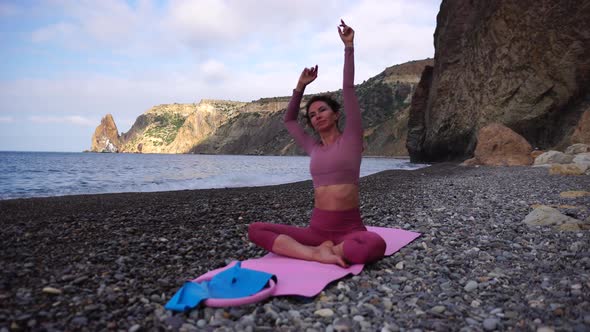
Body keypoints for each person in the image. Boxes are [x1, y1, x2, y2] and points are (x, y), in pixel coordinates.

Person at [248, 20, 386, 268]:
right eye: (312, 115)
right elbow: (289, 119)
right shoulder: (313, 148)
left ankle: (333, 250)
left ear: (336, 114)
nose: (317, 115)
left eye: (323, 110)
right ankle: (316, 253)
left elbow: (348, 88)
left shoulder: (352, 138)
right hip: (316, 232)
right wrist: (300, 86)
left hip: (350, 229)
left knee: (375, 245)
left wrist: (349, 47)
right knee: (256, 229)